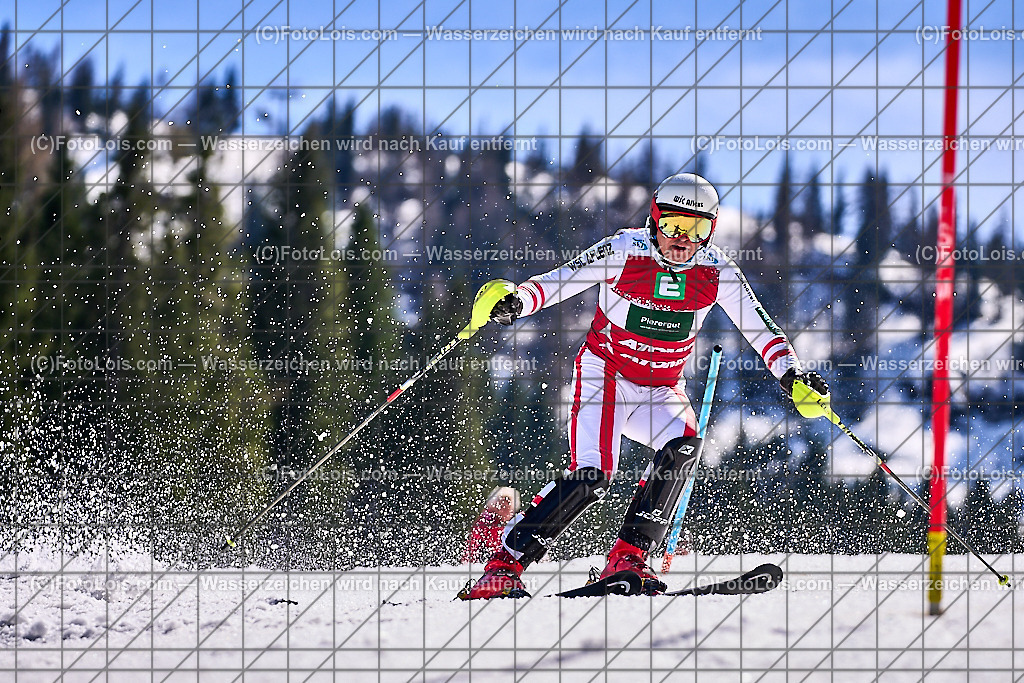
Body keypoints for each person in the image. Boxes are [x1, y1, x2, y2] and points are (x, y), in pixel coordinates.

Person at [458, 173, 829, 600]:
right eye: (674, 225)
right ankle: (503, 564)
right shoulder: (623, 250)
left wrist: (792, 374)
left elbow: (763, 330)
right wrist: (518, 301)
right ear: (654, 220)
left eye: (697, 229)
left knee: (685, 444)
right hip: (606, 377)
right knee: (593, 476)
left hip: (660, 389)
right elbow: (559, 281)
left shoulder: (716, 271)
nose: (683, 240)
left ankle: (629, 556)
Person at [461, 487, 521, 563]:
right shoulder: (485, 522)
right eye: (502, 507)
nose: (505, 511)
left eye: (508, 508)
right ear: (495, 506)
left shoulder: (510, 523)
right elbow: (471, 549)